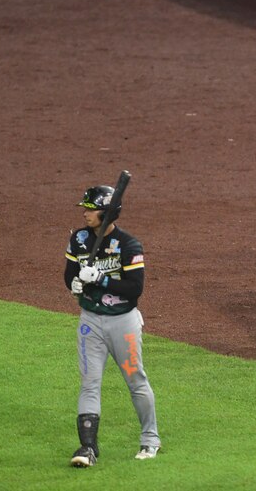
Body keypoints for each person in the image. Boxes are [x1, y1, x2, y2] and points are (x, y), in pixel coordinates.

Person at [64, 184, 159, 467]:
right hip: (90, 322)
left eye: (91, 209)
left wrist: (101, 279)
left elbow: (135, 288)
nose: (85, 213)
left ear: (107, 212)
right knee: (89, 383)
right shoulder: (79, 240)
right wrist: (75, 284)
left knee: (135, 380)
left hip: (123, 324)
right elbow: (69, 274)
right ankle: (87, 448)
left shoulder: (129, 245)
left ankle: (150, 439)